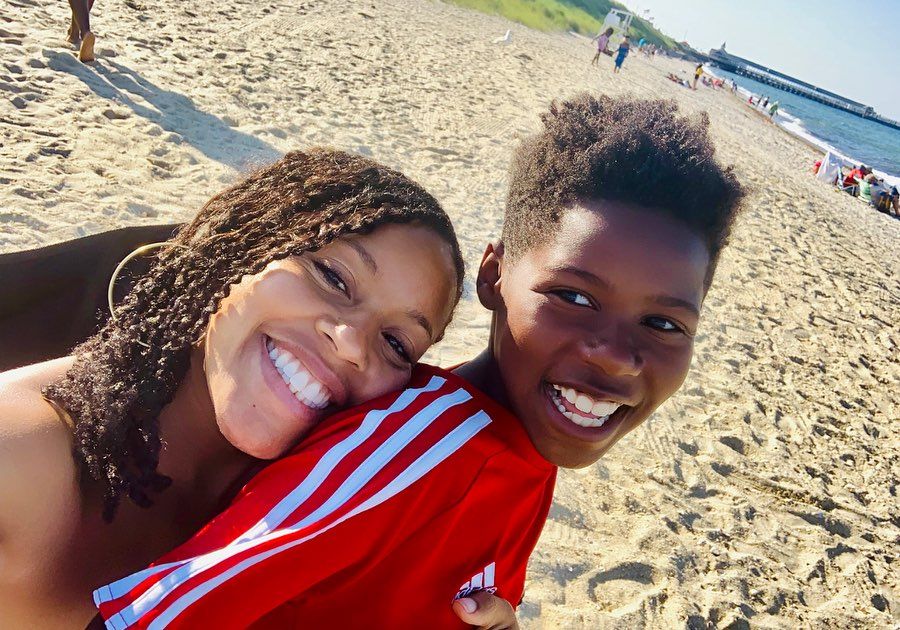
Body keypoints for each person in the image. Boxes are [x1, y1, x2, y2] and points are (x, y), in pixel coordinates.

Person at [93, 95, 744, 629]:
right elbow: (152, 615)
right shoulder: (418, 447)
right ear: (493, 276)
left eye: (663, 323)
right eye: (574, 296)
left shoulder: (526, 448)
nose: (616, 357)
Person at [0, 148, 517, 627]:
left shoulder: (320, 514)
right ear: (240, 251)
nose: (350, 344)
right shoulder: (20, 461)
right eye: (333, 278)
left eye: (397, 345)